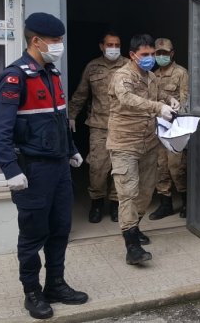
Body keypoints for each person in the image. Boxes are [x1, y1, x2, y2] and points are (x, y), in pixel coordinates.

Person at [0, 12, 88, 319]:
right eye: (56, 40)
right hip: (32, 170)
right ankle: (31, 292)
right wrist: (10, 170)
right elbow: (0, 130)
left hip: (58, 168)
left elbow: (60, 119)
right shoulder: (15, 77)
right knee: (33, 233)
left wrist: (71, 150)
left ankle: (55, 284)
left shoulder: (52, 74)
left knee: (60, 228)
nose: (59, 45)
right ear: (37, 41)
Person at [107, 34, 180, 265]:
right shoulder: (122, 75)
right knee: (127, 193)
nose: (150, 59)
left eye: (152, 54)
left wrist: (170, 100)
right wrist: (158, 107)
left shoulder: (150, 76)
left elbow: (158, 95)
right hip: (124, 143)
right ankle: (131, 246)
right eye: (145, 55)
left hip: (148, 143)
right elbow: (127, 98)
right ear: (133, 55)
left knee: (146, 191)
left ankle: (135, 226)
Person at [68, 31, 128, 223]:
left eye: (117, 44)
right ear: (102, 46)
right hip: (99, 126)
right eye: (110, 45)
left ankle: (116, 204)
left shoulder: (129, 66)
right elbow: (81, 93)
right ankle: (96, 203)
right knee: (98, 167)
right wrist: (71, 116)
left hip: (123, 126)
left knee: (121, 167)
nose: (114, 48)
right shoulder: (92, 67)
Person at [149, 38, 190, 220]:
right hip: (157, 128)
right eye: (158, 53)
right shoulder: (152, 75)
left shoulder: (181, 73)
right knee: (160, 167)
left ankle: (187, 202)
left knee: (177, 167)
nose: (161, 56)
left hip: (174, 129)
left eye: (165, 53)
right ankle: (165, 204)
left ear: (172, 53)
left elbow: (185, 101)